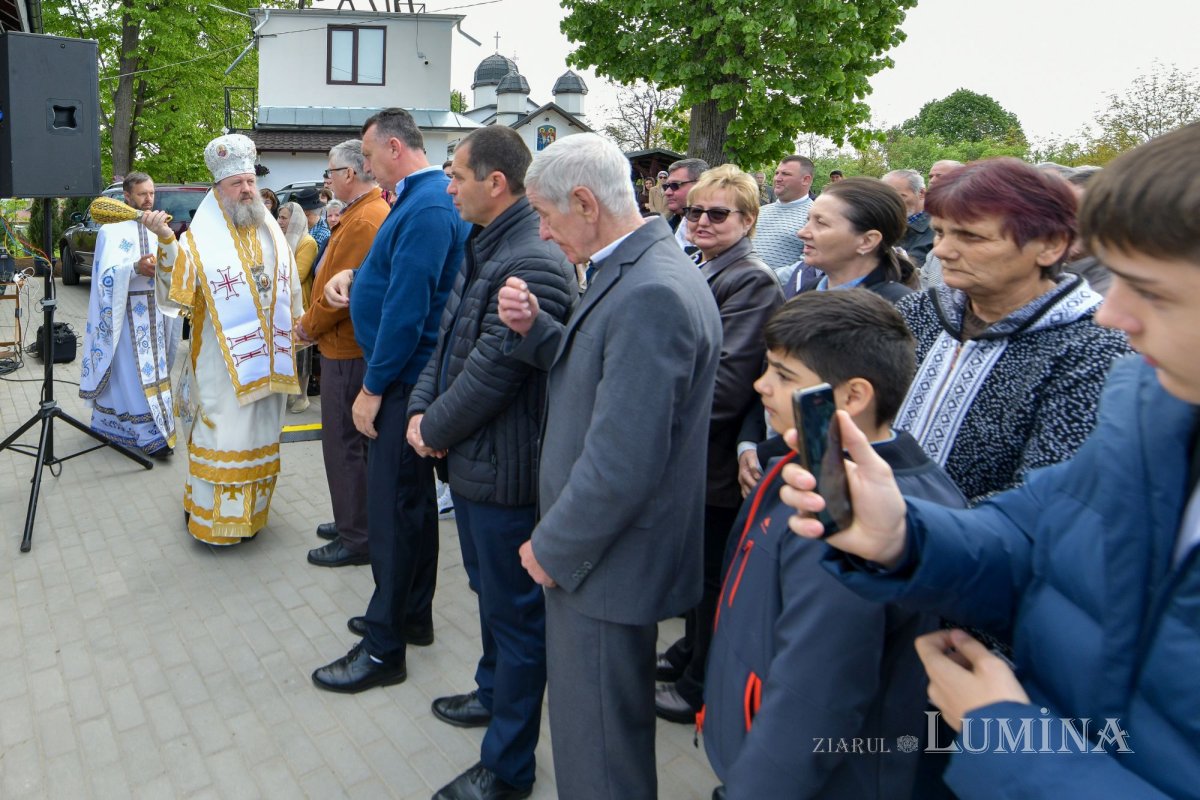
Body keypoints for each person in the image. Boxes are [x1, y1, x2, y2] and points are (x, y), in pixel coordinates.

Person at [777, 121, 1200, 800]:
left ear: (1051, 247)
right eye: (940, 232)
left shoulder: (1099, 359)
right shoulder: (1158, 402)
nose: (1113, 313)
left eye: (1151, 290)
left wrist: (1006, 738)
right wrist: (906, 537)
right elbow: (1039, 530)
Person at [497, 133, 722, 800]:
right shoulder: (639, 269)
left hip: (602, 562)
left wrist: (554, 547)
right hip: (607, 556)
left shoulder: (651, 290)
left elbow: (625, 457)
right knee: (601, 730)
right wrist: (539, 331)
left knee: (596, 745)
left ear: (586, 202)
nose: (541, 231)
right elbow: (601, 372)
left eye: (545, 213)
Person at [704, 291, 966, 800]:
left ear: (852, 396)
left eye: (784, 375)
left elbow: (817, 693)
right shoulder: (809, 459)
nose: (761, 386)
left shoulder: (844, 515)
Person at [409, 125, 576, 800]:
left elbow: (492, 374)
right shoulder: (488, 243)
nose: (448, 187)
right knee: (490, 599)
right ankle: (490, 689)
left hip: (506, 473)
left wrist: (432, 428)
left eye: (456, 174)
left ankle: (508, 766)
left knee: (516, 617)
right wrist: (423, 410)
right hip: (475, 461)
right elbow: (448, 339)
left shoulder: (533, 258)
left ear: (495, 183)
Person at [310, 108, 469, 693]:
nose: (367, 168)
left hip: (401, 382)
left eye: (371, 157)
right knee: (412, 507)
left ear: (395, 148)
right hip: (405, 377)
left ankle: (384, 647)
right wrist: (357, 284)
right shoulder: (417, 200)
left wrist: (372, 391)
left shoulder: (426, 206)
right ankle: (411, 614)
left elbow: (409, 310)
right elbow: (396, 279)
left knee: (393, 513)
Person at [892, 157, 1131, 503]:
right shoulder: (920, 311)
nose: (942, 250)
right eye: (940, 231)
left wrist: (905, 528)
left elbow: (1043, 500)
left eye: (970, 236)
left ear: (1050, 245)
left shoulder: (1094, 347)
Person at [654, 165, 784, 724]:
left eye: (718, 213)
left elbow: (726, 383)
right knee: (697, 570)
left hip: (712, 459)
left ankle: (699, 684)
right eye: (694, 211)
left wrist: (657, 432)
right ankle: (690, 651)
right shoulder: (710, 266)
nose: (701, 221)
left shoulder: (751, 279)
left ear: (749, 220)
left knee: (711, 578)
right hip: (696, 454)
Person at [154, 133, 303, 544]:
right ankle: (213, 524)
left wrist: (300, 327)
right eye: (237, 184)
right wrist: (167, 244)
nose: (247, 190)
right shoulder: (199, 238)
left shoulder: (270, 229)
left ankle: (251, 519)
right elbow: (174, 291)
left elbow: (290, 287)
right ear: (218, 190)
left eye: (250, 182)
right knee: (222, 433)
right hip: (221, 363)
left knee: (260, 432)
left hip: (268, 360)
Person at [296, 139, 390, 568]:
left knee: (343, 444)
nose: (327, 179)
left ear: (349, 175)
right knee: (347, 445)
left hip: (347, 348)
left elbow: (341, 295)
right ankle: (352, 518)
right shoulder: (358, 214)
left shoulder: (365, 219)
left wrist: (306, 327)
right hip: (343, 344)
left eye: (330, 172)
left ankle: (357, 536)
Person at [79, 171, 176, 458]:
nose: (149, 199)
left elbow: (177, 264)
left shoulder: (160, 228)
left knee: (155, 373)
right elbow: (103, 278)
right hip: (123, 315)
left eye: (152, 193)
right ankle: (143, 433)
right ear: (127, 196)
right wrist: (134, 268)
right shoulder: (111, 231)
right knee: (128, 375)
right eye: (142, 194)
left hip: (155, 313)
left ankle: (159, 428)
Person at [790, 177, 915, 301]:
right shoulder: (808, 292)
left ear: (867, 241)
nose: (802, 233)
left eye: (821, 223)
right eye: (808, 220)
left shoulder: (901, 308)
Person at [277, 201, 318, 414]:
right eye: (280, 217)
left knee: (302, 355)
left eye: (284, 218)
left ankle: (302, 396)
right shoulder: (280, 239)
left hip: (301, 304)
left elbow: (298, 274)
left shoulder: (307, 242)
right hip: (282, 305)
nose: (280, 221)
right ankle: (289, 393)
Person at [754, 155, 814, 279]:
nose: (777, 178)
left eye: (785, 174)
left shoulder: (816, 216)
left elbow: (809, 264)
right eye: (777, 173)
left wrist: (764, 279)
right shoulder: (758, 212)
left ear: (806, 180)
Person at [883, 168, 935, 267]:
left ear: (921, 193)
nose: (890, 203)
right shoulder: (880, 225)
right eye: (885, 197)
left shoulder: (939, 229)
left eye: (899, 197)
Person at [662, 157, 710, 259]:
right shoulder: (664, 230)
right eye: (666, 186)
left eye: (675, 185)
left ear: (700, 185)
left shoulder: (716, 235)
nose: (667, 192)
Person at [294, 187, 331, 262]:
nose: (303, 218)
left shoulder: (323, 233)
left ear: (317, 212)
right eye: (301, 215)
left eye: (307, 215)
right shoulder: (297, 227)